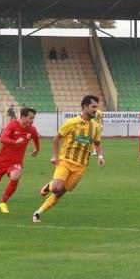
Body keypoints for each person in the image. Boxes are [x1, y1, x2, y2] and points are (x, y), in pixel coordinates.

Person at [33, 95, 104, 223]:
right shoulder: (72, 122)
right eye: (93, 107)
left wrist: (100, 156)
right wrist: (55, 156)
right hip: (65, 161)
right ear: (85, 107)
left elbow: (98, 144)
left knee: (60, 192)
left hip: (81, 166)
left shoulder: (96, 127)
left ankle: (38, 213)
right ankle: (51, 186)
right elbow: (57, 138)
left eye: (97, 107)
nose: (95, 110)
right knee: (56, 188)